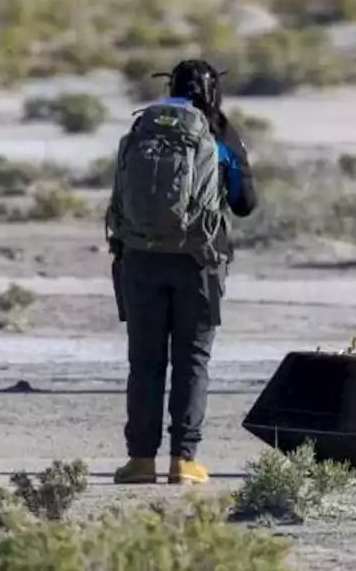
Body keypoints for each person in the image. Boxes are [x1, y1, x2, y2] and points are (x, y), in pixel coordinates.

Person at [105, 58, 259, 484]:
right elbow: (245, 203)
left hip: (138, 259)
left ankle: (140, 461)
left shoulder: (142, 128)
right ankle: (183, 460)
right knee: (192, 361)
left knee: (145, 362)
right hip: (200, 263)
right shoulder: (218, 133)